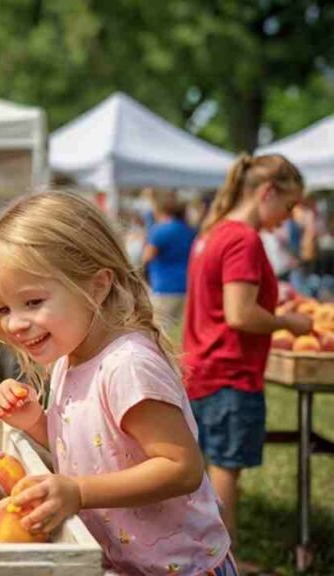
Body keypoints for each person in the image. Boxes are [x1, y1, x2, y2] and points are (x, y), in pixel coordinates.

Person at [0, 191, 234, 575]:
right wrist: (35, 421)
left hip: (182, 568)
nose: (14, 323)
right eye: (2, 309)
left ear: (97, 286)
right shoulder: (69, 359)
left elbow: (181, 468)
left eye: (33, 302)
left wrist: (79, 492)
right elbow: (92, 448)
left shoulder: (127, 366)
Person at [183, 154, 310, 560]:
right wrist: (288, 322)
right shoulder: (244, 238)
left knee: (203, 473)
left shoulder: (213, 232)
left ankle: (203, 556)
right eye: (289, 205)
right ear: (267, 192)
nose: (288, 217)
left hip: (202, 369)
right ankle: (224, 561)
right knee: (224, 471)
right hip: (229, 373)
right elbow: (239, 314)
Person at [142, 189, 196, 334]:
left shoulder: (160, 231)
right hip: (187, 286)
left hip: (165, 288)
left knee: (160, 333)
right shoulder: (189, 230)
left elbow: (147, 256)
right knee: (180, 334)